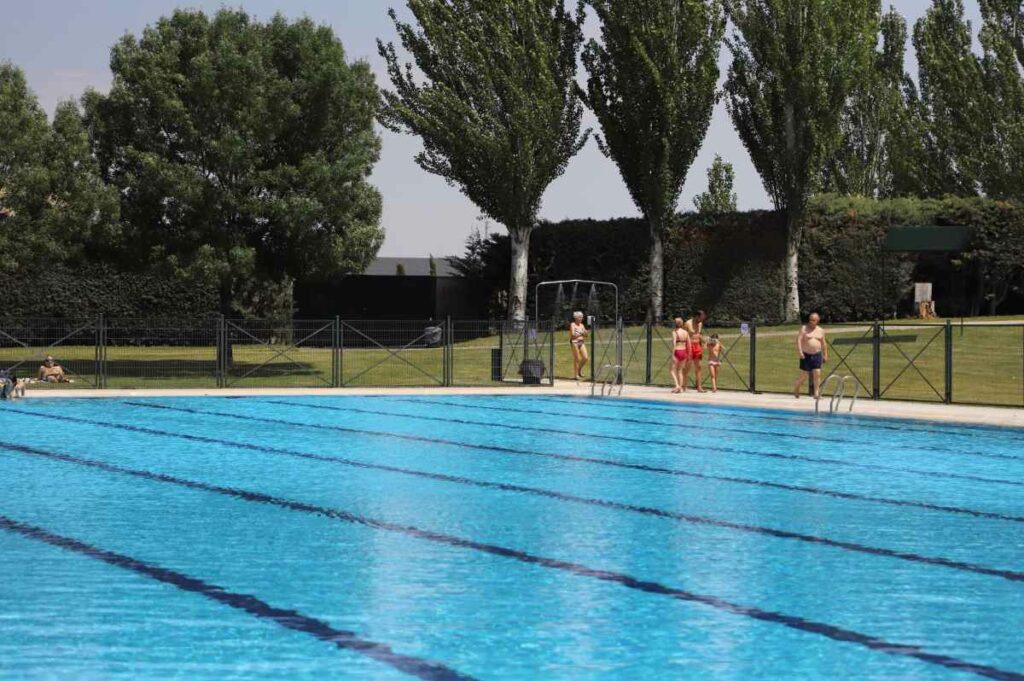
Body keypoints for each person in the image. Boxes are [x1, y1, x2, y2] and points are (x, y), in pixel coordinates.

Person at [794, 312, 828, 399]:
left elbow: (824, 343)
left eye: (813, 320)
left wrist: (825, 354)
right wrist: (800, 352)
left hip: (817, 354)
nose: (811, 321)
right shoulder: (804, 329)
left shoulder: (820, 330)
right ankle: (797, 387)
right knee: (804, 376)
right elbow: (799, 340)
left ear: (817, 320)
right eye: (810, 320)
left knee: (817, 373)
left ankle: (816, 393)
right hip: (806, 355)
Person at [670, 318, 689, 394]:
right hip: (684, 351)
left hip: (677, 350)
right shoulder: (686, 332)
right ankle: (680, 388)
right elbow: (688, 343)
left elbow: (674, 343)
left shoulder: (674, 332)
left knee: (671, 370)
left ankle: (677, 385)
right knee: (680, 371)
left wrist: (672, 354)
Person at [569, 311, 589, 380]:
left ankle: (579, 370)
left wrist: (583, 333)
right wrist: (581, 333)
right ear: (576, 318)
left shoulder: (582, 325)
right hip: (574, 342)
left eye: (582, 317)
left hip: (581, 342)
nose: (581, 319)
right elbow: (573, 335)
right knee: (577, 358)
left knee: (585, 357)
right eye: (580, 317)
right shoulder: (572, 324)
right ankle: (576, 375)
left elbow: (586, 335)